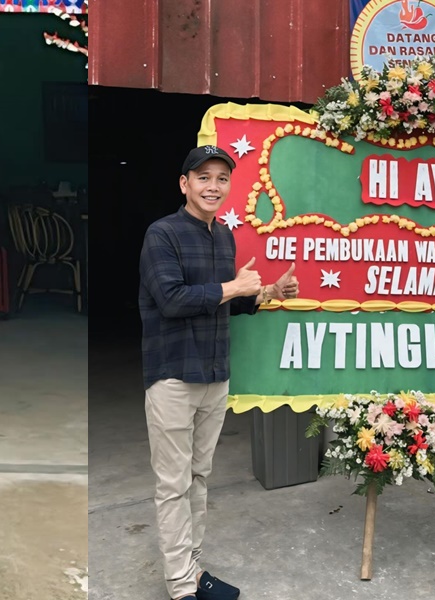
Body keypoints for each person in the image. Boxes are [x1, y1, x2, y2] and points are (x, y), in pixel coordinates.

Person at [138, 145, 300, 600]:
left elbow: (225, 299)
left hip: (214, 374)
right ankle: (180, 587)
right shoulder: (162, 234)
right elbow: (172, 300)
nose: (213, 186)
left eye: (221, 179)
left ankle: (192, 571)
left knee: (198, 478)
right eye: (203, 177)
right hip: (173, 375)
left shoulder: (223, 237)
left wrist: (268, 291)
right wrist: (233, 286)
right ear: (184, 184)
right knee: (173, 485)